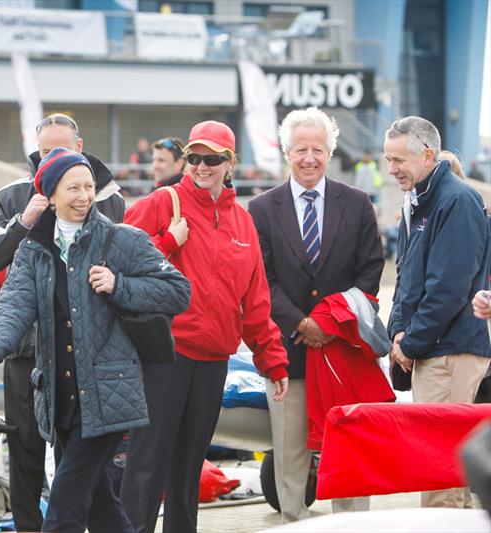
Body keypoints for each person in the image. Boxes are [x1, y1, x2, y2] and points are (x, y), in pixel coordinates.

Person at [0, 147, 191, 533]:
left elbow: (177, 291)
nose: (84, 196)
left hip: (109, 394)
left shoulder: (120, 239)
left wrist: (120, 285)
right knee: (101, 510)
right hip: (59, 397)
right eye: (73, 187)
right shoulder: (33, 249)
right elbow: (14, 304)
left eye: (89, 186)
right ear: (50, 195)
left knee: (65, 502)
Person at [121, 120, 289, 533]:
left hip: (213, 360)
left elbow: (255, 302)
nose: (200, 166)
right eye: (194, 157)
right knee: (146, 462)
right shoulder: (163, 203)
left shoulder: (243, 223)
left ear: (229, 164)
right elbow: (117, 259)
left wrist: (273, 361)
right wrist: (167, 243)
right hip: (164, 354)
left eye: (211, 159)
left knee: (188, 467)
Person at [0, 112, 125, 532]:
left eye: (61, 149)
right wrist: (25, 222)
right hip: (24, 347)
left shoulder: (105, 193)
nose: (52, 157)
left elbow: (127, 261)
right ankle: (27, 526)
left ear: (79, 148)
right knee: (24, 447)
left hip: (82, 347)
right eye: (44, 151)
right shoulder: (13, 194)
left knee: (75, 455)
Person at [248, 106, 385, 521]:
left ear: (330, 151)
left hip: (342, 350)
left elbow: (370, 272)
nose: (310, 158)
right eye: (301, 149)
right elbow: (261, 279)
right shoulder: (262, 209)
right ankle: (294, 521)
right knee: (289, 448)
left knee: (350, 445)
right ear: (287, 151)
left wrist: (328, 324)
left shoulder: (358, 204)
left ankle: (352, 524)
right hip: (287, 353)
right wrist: (301, 323)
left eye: (318, 149)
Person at [384, 116, 491, 508]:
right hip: (433, 350)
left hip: (450, 352)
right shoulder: (419, 202)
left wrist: (410, 344)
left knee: (444, 480)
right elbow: (408, 278)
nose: (391, 169)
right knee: (439, 476)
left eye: (399, 160)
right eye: (388, 159)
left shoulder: (456, 200)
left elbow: (449, 287)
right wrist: (397, 332)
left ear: (427, 155)